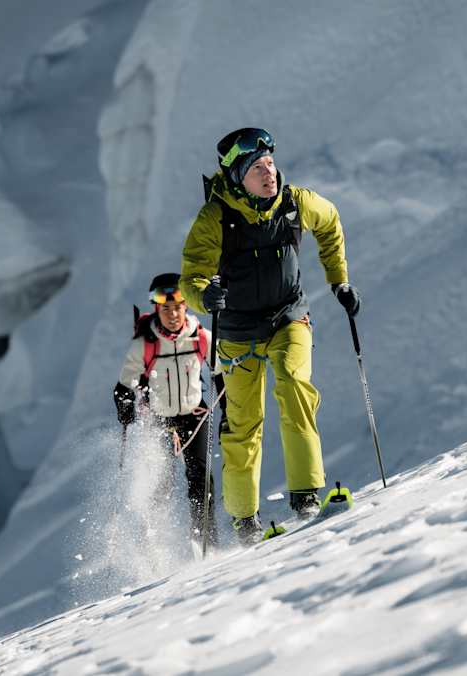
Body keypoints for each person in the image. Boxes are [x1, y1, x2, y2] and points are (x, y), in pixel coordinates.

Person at [180, 127, 361, 546]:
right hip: (238, 332)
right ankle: (245, 521)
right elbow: (192, 277)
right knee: (243, 425)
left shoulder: (295, 204)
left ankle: (306, 498)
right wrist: (204, 295)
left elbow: (330, 222)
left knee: (295, 386)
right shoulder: (215, 219)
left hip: (288, 318)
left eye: (271, 164)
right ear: (237, 177)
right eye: (258, 168)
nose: (269, 174)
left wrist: (340, 282)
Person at [113, 273, 218, 547]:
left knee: (201, 479)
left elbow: (221, 371)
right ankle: (153, 543)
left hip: (194, 414)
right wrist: (125, 407)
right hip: (159, 419)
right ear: (157, 308)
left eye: (178, 307)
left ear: (186, 306)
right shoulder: (145, 344)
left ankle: (204, 540)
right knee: (162, 485)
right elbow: (124, 385)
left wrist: (227, 401)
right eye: (166, 308)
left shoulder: (201, 337)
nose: (173, 314)